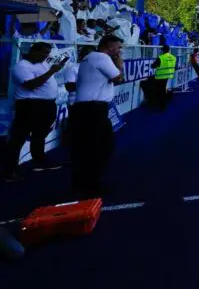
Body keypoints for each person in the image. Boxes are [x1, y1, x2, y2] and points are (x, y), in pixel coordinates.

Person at [1, 43, 66, 182]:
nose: (45, 56)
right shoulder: (21, 66)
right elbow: (31, 85)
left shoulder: (43, 64)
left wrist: (53, 70)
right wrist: (51, 72)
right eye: (43, 52)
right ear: (33, 51)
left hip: (47, 105)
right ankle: (9, 170)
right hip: (29, 105)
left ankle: (39, 161)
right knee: (19, 138)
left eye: (47, 53)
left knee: (40, 135)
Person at [70, 34, 124, 196]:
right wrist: (119, 60)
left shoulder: (91, 57)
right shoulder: (102, 58)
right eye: (118, 48)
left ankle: (82, 182)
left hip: (87, 108)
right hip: (93, 109)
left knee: (89, 146)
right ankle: (91, 184)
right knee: (101, 146)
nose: (119, 50)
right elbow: (119, 78)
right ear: (109, 47)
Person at [148, 45, 177, 111]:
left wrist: (153, 64)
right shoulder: (173, 57)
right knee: (162, 89)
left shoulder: (161, 57)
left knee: (160, 90)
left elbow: (153, 66)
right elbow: (175, 66)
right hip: (168, 75)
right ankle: (162, 103)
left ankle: (162, 105)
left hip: (160, 76)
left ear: (163, 50)